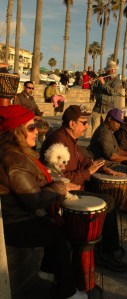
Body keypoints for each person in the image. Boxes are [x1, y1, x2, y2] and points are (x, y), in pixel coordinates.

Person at [0, 105, 88, 299]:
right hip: (13, 222)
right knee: (57, 235)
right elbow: (34, 200)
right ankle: (67, 292)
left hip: (18, 214)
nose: (36, 132)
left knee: (58, 230)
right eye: (31, 128)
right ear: (16, 131)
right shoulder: (14, 159)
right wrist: (60, 188)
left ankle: (49, 271)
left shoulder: (18, 152)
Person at [40, 105, 127, 272]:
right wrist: (88, 172)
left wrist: (103, 168)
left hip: (76, 184)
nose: (87, 126)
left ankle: (103, 246)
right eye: (84, 122)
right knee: (107, 202)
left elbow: (83, 159)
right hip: (65, 192)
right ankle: (105, 252)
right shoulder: (58, 140)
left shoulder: (70, 139)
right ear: (72, 123)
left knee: (106, 196)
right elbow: (59, 177)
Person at [91, 60, 124, 134]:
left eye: (114, 69)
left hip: (108, 109)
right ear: (107, 70)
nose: (113, 71)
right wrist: (92, 83)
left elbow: (113, 92)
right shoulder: (101, 77)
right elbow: (94, 90)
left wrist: (103, 84)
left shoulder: (117, 81)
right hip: (97, 108)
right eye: (111, 69)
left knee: (107, 131)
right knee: (95, 131)